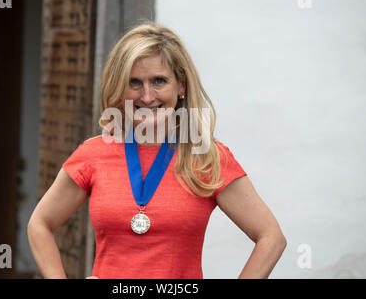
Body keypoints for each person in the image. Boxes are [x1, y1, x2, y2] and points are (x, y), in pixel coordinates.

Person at [27, 22, 287, 279]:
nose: (147, 96)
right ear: (120, 88)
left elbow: (271, 238)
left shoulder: (207, 156)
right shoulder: (93, 153)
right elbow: (39, 224)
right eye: (135, 83)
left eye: (159, 81)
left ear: (181, 86)